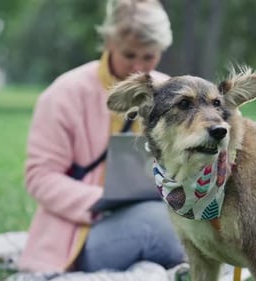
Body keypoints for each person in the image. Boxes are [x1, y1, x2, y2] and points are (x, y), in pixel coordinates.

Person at [19, 0, 186, 273]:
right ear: (109, 41)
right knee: (158, 223)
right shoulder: (64, 94)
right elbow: (39, 175)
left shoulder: (174, 93)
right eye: (130, 55)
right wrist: (100, 200)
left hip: (161, 210)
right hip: (82, 232)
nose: (139, 68)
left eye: (149, 56)